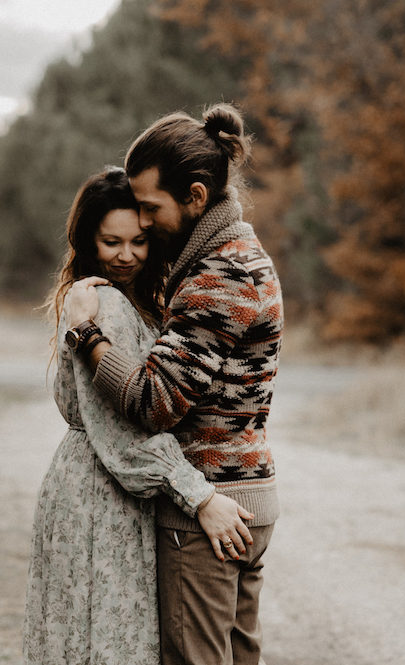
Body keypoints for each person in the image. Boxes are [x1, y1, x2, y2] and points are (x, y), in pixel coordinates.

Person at [66, 104, 283, 665]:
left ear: (194, 197)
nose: (141, 222)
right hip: (247, 496)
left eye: (149, 207)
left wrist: (88, 335)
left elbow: (154, 401)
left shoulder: (219, 274)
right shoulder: (240, 257)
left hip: (209, 510)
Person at [22, 166, 247, 665]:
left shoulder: (124, 301)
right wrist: (200, 496)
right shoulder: (105, 305)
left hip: (96, 487)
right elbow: (122, 431)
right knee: (108, 643)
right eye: (111, 242)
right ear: (88, 241)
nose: (126, 255)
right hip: (102, 493)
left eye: (139, 241)